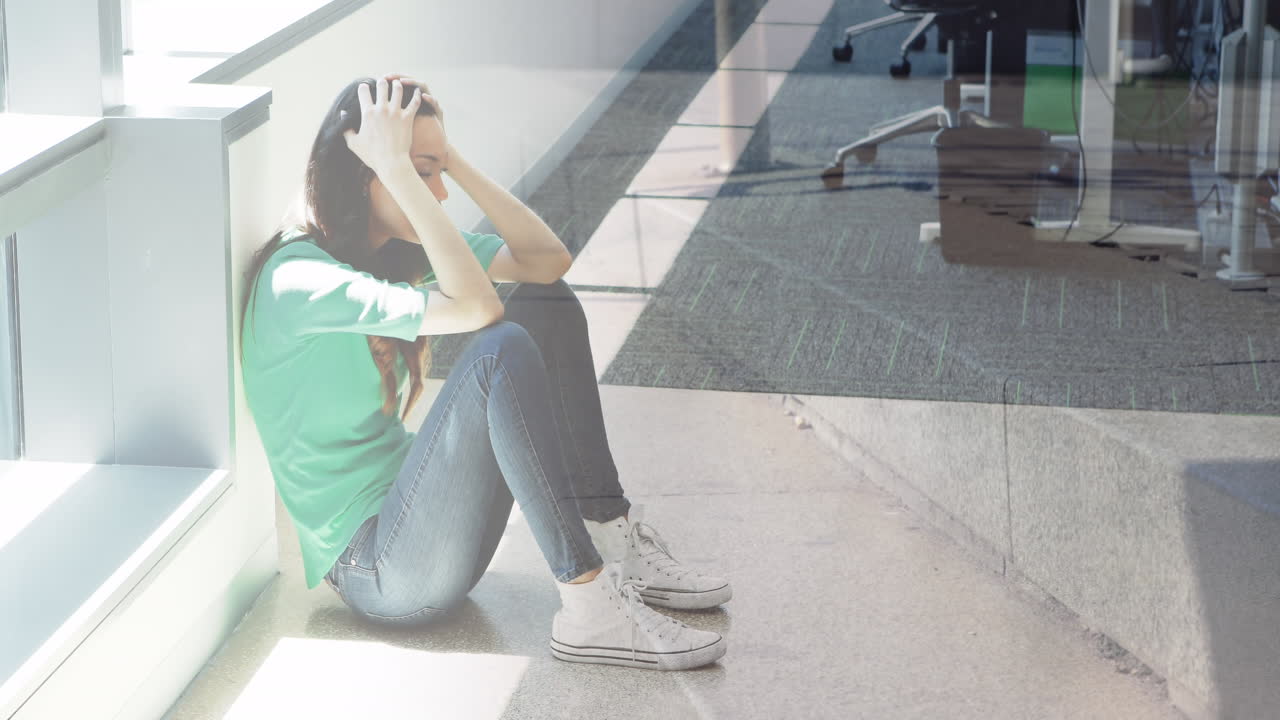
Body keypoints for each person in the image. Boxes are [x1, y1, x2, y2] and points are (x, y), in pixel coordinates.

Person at [239, 74, 731, 670]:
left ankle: (608, 530)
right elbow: (479, 310)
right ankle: (589, 607)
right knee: (500, 347)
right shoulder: (300, 280)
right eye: (422, 173)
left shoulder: (393, 256)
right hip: (379, 570)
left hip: (426, 526)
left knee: (544, 304)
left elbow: (546, 262)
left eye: (435, 173)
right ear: (363, 170)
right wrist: (399, 170)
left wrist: (449, 161)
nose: (439, 194)